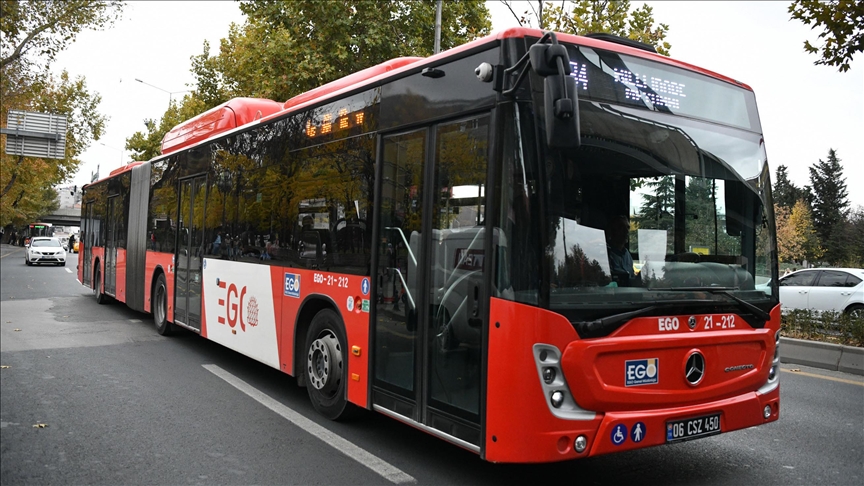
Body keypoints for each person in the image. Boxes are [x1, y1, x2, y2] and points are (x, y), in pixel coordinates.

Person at [607, 215, 637, 285]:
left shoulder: (627, 254)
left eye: (628, 228)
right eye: (621, 228)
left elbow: (632, 277)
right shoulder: (606, 254)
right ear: (612, 231)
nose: (626, 231)